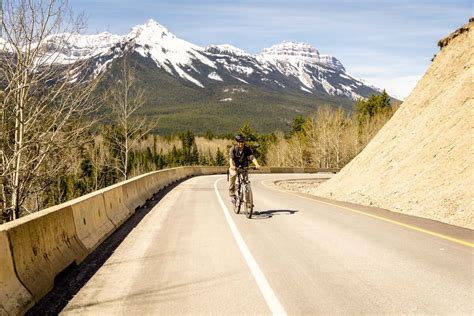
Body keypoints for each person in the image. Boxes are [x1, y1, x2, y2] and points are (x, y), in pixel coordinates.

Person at [229, 134, 261, 198]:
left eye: (242, 141)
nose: (241, 143)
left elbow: (252, 157)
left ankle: (248, 199)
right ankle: (231, 189)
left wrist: (257, 164)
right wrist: (232, 166)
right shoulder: (233, 149)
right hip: (235, 166)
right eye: (239, 142)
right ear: (237, 142)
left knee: (246, 180)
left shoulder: (247, 149)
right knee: (233, 175)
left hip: (244, 167)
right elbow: (231, 159)